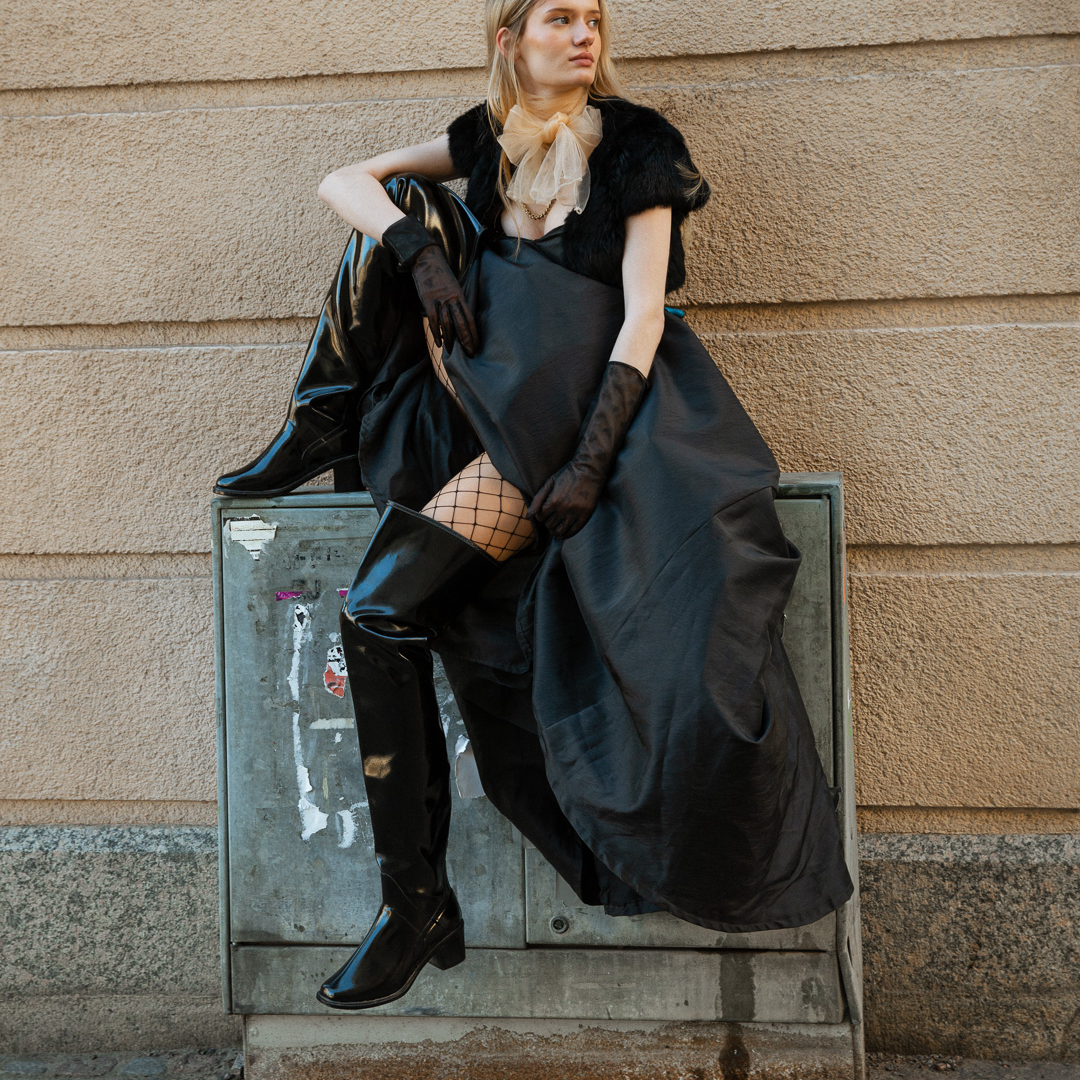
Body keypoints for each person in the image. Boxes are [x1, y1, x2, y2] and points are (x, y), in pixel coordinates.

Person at [215, 0, 855, 1012]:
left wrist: (590, 463)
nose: (584, 33)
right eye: (560, 16)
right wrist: (418, 256)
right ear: (511, 38)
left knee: (379, 611)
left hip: (597, 426)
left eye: (594, 17)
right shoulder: (485, 142)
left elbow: (644, 317)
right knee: (390, 229)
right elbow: (342, 181)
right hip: (498, 416)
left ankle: (415, 907)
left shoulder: (638, 144)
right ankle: (417, 902)